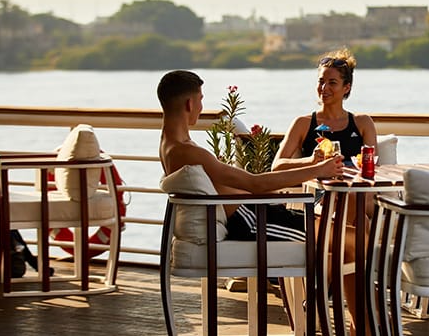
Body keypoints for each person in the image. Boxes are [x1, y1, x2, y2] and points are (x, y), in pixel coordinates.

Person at [157, 69, 344, 242]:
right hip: (252, 221)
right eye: (200, 100)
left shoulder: (170, 146)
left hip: (255, 212)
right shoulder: (187, 152)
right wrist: (318, 169)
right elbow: (255, 183)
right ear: (190, 104)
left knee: (345, 234)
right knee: (345, 241)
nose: (201, 107)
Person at [271, 48, 376, 335]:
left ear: (346, 88)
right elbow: (277, 166)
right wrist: (312, 161)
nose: (324, 88)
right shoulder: (304, 123)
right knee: (359, 228)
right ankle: (360, 322)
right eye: (321, 81)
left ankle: (319, 295)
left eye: (332, 82)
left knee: (355, 208)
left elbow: (372, 167)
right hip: (318, 202)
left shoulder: (362, 123)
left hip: (356, 200)